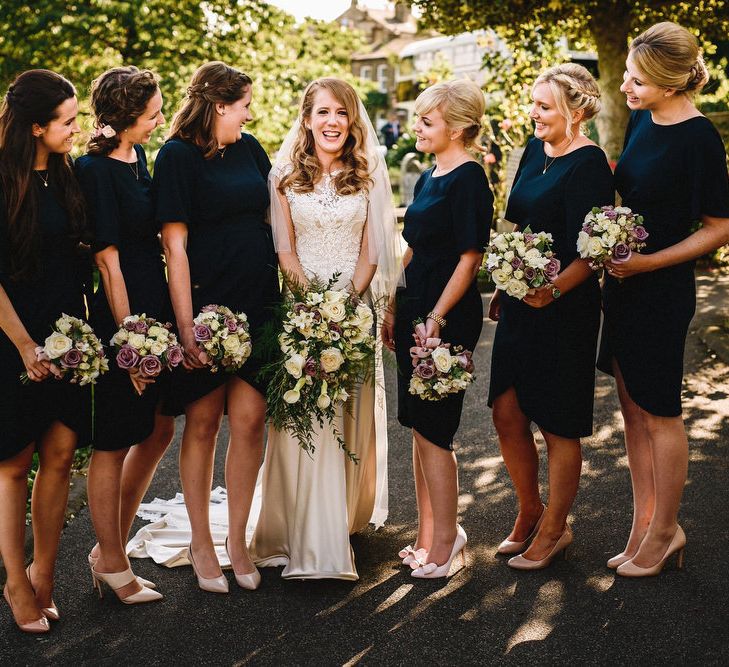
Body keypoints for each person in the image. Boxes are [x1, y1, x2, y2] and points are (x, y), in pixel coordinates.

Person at [249, 77, 401, 580]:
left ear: (352, 120)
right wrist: (311, 308)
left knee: (346, 417)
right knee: (304, 422)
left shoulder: (370, 172)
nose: (332, 122)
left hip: (352, 313)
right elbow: (285, 248)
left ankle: (340, 520)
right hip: (300, 311)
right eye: (323, 113)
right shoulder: (284, 174)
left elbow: (373, 250)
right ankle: (298, 531)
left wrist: (344, 306)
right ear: (307, 119)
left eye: (341, 112)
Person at [598, 22, 729, 577]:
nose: (626, 87)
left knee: (659, 411)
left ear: (673, 83)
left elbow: (719, 227)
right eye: (626, 74)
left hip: (661, 287)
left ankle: (667, 530)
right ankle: (644, 523)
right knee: (630, 407)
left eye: (638, 80)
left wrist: (650, 262)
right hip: (623, 283)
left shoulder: (700, 139)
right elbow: (637, 189)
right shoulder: (640, 119)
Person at [156, 61, 280, 592]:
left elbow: (276, 217)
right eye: (244, 104)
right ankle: (202, 545)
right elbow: (174, 246)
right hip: (206, 306)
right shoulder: (176, 157)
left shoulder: (250, 149)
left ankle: (237, 540)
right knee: (203, 423)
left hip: (258, 301)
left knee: (250, 421)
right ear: (219, 105)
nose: (249, 113)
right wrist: (186, 326)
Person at [487, 64, 614, 569]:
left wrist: (553, 290)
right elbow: (518, 221)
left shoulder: (590, 165)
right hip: (521, 301)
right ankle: (529, 509)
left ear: (575, 110)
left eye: (544, 106)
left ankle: (556, 528)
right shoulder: (531, 151)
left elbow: (596, 246)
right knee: (506, 411)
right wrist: (504, 282)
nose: (534, 114)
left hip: (565, 309)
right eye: (534, 104)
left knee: (559, 423)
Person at [382, 79, 493, 579]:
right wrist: (391, 304)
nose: (417, 127)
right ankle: (427, 533)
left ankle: (448, 541)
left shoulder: (470, 178)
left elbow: (470, 258)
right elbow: (413, 247)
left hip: (444, 316)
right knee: (417, 428)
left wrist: (436, 319)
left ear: (460, 127)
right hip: (413, 308)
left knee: (436, 430)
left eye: (427, 121)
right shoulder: (430, 174)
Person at [76, 66, 170, 603]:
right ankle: (112, 559)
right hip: (121, 316)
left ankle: (109, 547)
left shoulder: (139, 159)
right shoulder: (93, 170)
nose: (158, 120)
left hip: (154, 302)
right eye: (152, 113)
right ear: (125, 116)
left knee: (158, 430)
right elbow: (108, 261)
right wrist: (130, 341)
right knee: (113, 440)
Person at [0, 70, 90, 632]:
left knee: (59, 456)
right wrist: (25, 345)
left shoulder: (68, 175)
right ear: (36, 126)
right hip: (12, 337)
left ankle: (45, 575)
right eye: (68, 121)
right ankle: (13, 583)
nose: (77, 129)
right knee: (12, 465)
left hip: (67, 333)